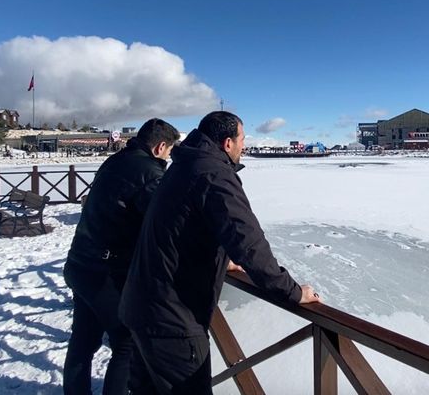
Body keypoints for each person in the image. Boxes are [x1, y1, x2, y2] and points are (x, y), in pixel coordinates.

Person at [119, 111, 321, 394]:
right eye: (242, 139)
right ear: (227, 143)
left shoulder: (185, 165)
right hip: (172, 320)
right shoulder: (213, 174)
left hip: (142, 306)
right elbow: (248, 242)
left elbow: (184, 227)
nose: (244, 146)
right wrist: (292, 291)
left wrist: (222, 260)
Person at [63, 118, 181, 395]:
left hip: (81, 262)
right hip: (106, 270)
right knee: (126, 342)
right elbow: (164, 224)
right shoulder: (151, 173)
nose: (168, 157)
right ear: (160, 147)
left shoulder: (114, 161)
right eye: (169, 151)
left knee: (83, 341)